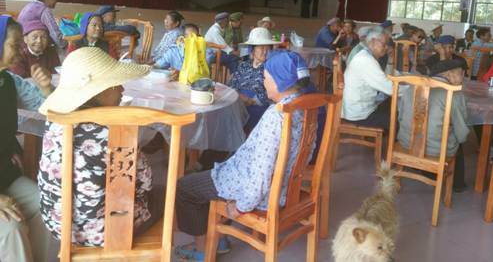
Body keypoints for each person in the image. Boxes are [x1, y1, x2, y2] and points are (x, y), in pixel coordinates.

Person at [174, 51, 312, 260]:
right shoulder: (306, 107)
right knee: (215, 166)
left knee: (186, 188)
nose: (264, 83)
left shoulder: (276, 117)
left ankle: (202, 250)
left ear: (280, 83)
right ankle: (219, 238)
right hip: (285, 185)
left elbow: (261, 176)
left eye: (266, 78)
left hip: (260, 190)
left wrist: (240, 207)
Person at [37, 47, 161, 247]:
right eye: (116, 84)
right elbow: (145, 183)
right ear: (99, 91)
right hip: (106, 232)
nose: (122, 89)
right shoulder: (115, 134)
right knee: (164, 195)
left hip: (58, 224)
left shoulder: (55, 121)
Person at [0, 15, 52, 262]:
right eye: (14, 44)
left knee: (49, 206)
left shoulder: (10, 82)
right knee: (12, 228)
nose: (21, 50)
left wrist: (46, 88)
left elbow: (48, 107)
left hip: (4, 175)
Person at [397, 59, 469, 191]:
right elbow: (462, 135)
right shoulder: (454, 93)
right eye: (462, 73)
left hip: (406, 142)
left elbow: (400, 116)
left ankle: (423, 169)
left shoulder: (412, 87)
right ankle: (457, 185)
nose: (463, 78)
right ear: (449, 74)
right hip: (436, 151)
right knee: (458, 139)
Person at [229, 28, 279, 133]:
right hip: (237, 101)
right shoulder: (244, 65)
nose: (265, 51)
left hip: (258, 106)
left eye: (268, 48)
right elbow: (232, 85)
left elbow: (272, 93)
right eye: (261, 47)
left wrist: (250, 100)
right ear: (252, 49)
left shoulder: (271, 67)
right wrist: (239, 97)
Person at [342, 26, 393, 129]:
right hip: (358, 114)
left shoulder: (366, 55)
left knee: (390, 104)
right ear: (373, 42)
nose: (387, 47)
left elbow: (384, 78)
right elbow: (391, 89)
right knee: (395, 121)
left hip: (359, 107)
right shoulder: (366, 60)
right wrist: (410, 89)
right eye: (384, 44)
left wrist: (390, 60)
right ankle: (384, 139)